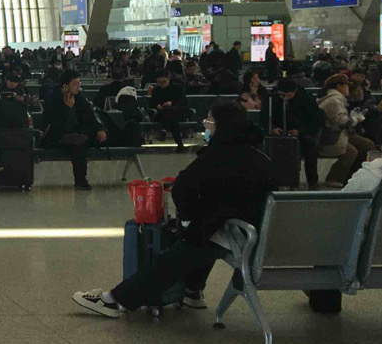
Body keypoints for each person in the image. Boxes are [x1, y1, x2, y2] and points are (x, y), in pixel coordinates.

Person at [74, 100, 274, 317]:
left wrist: (188, 218)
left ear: (221, 126)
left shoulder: (217, 156)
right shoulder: (260, 156)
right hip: (260, 235)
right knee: (204, 233)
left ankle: (114, 300)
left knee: (180, 251)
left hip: (236, 235)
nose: (206, 125)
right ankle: (192, 290)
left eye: (209, 120)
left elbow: (182, 188)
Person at [41, 70, 106, 190]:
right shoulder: (53, 98)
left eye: (79, 83)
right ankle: (81, 180)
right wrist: (66, 107)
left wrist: (100, 128)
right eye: (75, 84)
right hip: (57, 136)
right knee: (79, 143)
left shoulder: (79, 97)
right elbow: (53, 123)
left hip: (77, 134)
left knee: (80, 140)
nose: (78, 86)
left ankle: (80, 180)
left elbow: (90, 113)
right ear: (65, 86)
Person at [271, 77, 327, 188]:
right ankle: (287, 181)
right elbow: (267, 115)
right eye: (282, 95)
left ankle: (312, 182)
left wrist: (301, 131)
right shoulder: (274, 98)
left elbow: (316, 120)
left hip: (304, 133)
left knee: (310, 155)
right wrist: (273, 127)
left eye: (288, 96)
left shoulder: (306, 99)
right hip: (281, 133)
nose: (285, 98)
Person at [319, 73, 371, 185]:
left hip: (337, 134)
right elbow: (341, 121)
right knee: (351, 152)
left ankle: (352, 175)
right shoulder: (334, 100)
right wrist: (355, 119)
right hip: (332, 137)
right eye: (346, 85)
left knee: (367, 144)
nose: (348, 88)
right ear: (339, 86)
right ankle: (334, 178)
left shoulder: (335, 99)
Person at [149, 71, 190, 150]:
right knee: (171, 118)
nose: (162, 84)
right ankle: (179, 143)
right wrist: (157, 105)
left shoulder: (177, 88)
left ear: (169, 80)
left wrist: (171, 103)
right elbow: (152, 103)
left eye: (164, 81)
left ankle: (164, 130)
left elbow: (183, 101)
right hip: (163, 114)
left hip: (176, 112)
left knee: (171, 113)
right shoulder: (155, 90)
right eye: (159, 82)